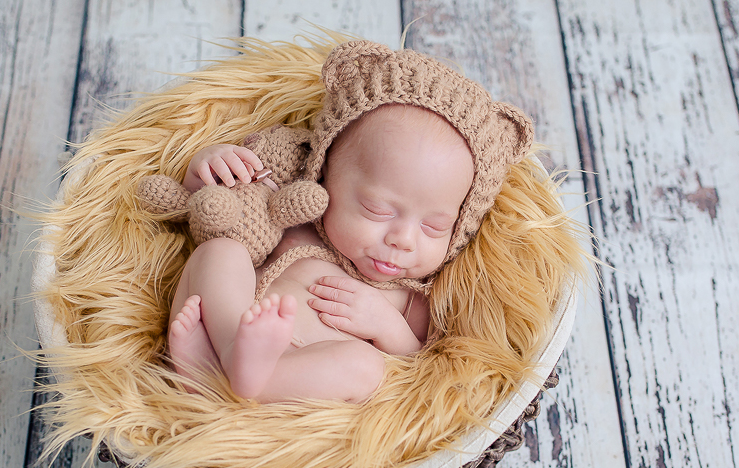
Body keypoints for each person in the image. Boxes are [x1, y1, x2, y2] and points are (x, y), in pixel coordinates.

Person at [165, 40, 535, 403]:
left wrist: (388, 325)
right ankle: (227, 355)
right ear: (325, 174)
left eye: (434, 227)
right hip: (235, 328)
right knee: (220, 251)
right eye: (378, 209)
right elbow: (214, 214)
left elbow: (422, 368)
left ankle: (254, 378)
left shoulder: (411, 299)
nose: (404, 240)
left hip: (305, 380)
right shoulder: (296, 213)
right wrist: (208, 170)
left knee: (366, 366)